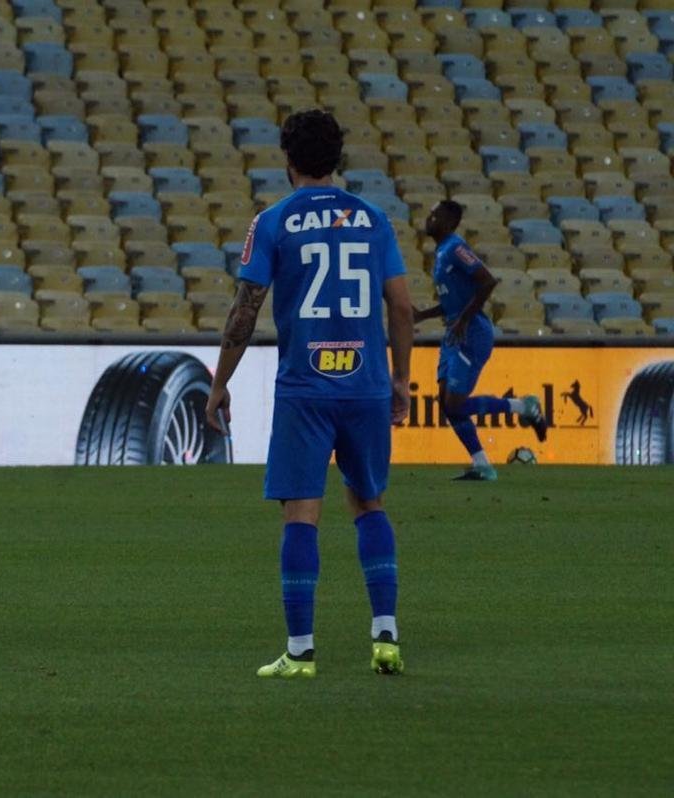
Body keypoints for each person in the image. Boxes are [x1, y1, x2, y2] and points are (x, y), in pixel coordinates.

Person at [206, 109, 413, 679]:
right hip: (367, 385)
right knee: (369, 503)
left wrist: (220, 383)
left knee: (302, 513)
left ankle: (300, 652)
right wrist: (401, 379)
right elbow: (400, 306)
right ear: (338, 158)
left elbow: (244, 310)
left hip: (305, 388)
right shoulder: (374, 220)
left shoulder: (271, 222)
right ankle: (386, 637)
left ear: (288, 158)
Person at [414, 200, 548, 481]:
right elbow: (453, 302)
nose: (430, 218)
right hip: (453, 333)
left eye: (435, 215)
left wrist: (464, 319)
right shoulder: (441, 253)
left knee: (455, 404)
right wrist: (423, 315)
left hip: (471, 333)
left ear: (449, 222)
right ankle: (482, 465)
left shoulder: (455, 248)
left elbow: (487, 281)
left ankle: (524, 407)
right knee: (446, 402)